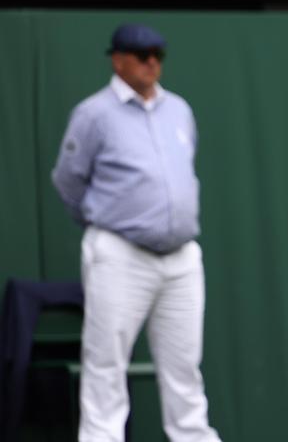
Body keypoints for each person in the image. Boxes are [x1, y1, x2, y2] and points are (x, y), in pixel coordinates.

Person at [51, 23, 222, 442]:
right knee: (106, 363)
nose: (151, 63)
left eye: (157, 55)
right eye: (142, 55)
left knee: (184, 368)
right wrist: (106, 221)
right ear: (118, 59)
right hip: (120, 254)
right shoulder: (93, 114)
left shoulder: (179, 109)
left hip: (182, 257)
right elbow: (68, 181)